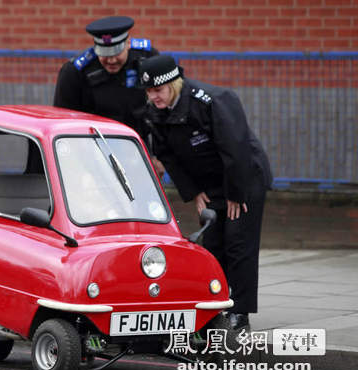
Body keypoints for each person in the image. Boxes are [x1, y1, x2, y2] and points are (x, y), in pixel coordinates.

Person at [138, 54, 273, 331]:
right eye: (149, 91)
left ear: (173, 85)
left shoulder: (212, 101)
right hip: (209, 183)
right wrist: (194, 192)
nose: (154, 97)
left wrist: (237, 193)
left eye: (158, 90)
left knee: (238, 244)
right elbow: (166, 155)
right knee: (212, 244)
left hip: (243, 178)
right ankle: (217, 306)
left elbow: (235, 148)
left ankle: (240, 312)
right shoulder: (156, 111)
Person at [53, 16, 159, 137]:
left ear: (128, 43)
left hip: (137, 143)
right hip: (93, 145)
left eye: (116, 52)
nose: (111, 60)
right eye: (104, 54)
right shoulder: (75, 72)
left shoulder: (147, 58)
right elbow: (63, 122)